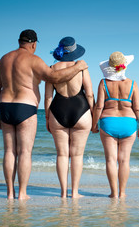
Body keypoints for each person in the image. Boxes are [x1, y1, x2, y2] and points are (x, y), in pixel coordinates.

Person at [0, 29, 88, 200]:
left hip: (5, 104)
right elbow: (54, 77)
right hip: (25, 106)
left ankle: (9, 193)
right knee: (25, 152)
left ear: (20, 41)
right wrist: (79, 66)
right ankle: (22, 194)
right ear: (34, 44)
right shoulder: (33, 60)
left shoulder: (3, 60)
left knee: (9, 151)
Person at [45, 37, 94, 198]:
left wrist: (47, 118)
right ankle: (74, 192)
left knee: (62, 154)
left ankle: (63, 192)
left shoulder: (51, 68)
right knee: (77, 155)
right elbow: (89, 93)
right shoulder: (81, 67)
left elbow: (48, 98)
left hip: (57, 110)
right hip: (81, 109)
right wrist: (93, 114)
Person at [91, 51, 139, 198]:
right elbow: (138, 108)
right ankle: (122, 193)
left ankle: (113, 193)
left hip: (108, 122)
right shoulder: (133, 84)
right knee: (124, 160)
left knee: (110, 159)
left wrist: (94, 124)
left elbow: (98, 107)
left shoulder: (103, 83)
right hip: (128, 122)